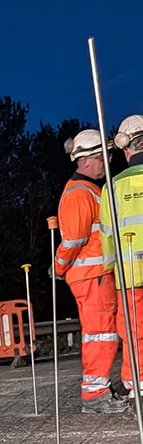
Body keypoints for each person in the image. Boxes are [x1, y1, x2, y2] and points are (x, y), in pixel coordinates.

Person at [57, 128, 128, 413]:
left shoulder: (88, 190)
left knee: (103, 333)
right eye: (103, 156)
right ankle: (96, 394)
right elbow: (73, 241)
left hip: (94, 275)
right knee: (100, 333)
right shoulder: (80, 193)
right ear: (86, 160)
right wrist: (58, 266)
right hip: (92, 276)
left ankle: (99, 389)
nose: (108, 161)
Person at [99, 115, 143, 408]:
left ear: (126, 148)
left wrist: (108, 270)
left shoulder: (112, 187)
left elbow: (107, 236)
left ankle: (137, 384)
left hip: (129, 274)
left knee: (135, 331)